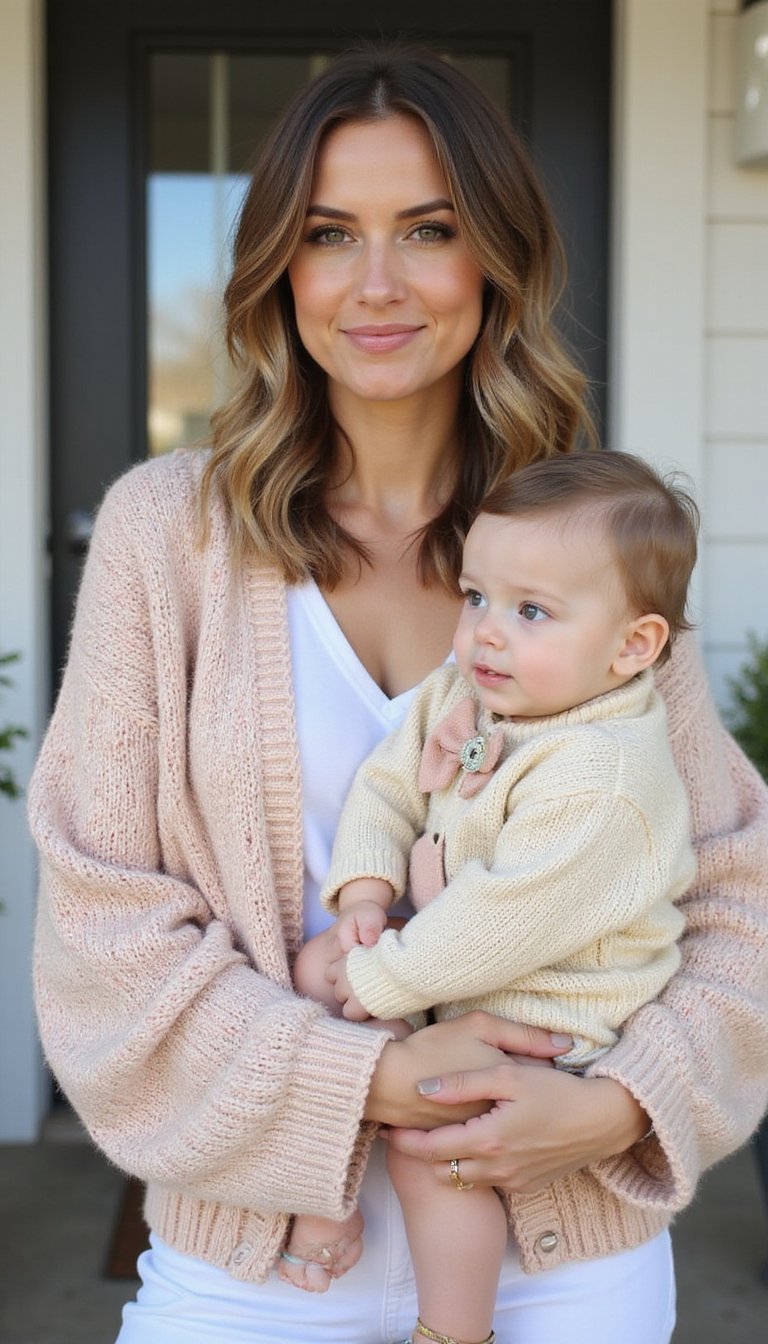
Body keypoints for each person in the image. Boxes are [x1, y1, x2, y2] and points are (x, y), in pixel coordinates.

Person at [28, 42, 768, 1344]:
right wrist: (368, 1074)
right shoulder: (167, 537)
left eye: (427, 230)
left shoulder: (588, 537)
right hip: (251, 1267)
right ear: (280, 270)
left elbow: (729, 895)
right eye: (329, 235)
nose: (377, 284)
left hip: (567, 1243)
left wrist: (625, 1101)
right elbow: (102, 936)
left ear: (494, 259)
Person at [287, 451, 698, 1344]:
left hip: (558, 1018)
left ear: (634, 645)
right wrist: (365, 885)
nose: (486, 634)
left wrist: (384, 980)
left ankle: (453, 1329)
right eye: (476, 598)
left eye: (532, 612)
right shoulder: (473, 692)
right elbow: (389, 782)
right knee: (318, 970)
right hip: (456, 976)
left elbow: (504, 921)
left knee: (444, 1154)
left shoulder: (607, 774)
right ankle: (321, 1191)